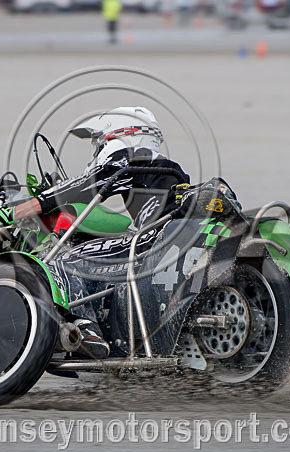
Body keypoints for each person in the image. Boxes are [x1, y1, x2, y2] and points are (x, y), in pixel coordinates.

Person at [12, 107, 190, 358]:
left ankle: (86, 331)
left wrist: (33, 204)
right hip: (175, 233)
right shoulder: (166, 167)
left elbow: (89, 183)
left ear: (120, 135)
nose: (97, 151)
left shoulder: (131, 156)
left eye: (99, 143)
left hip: (155, 237)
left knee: (65, 261)